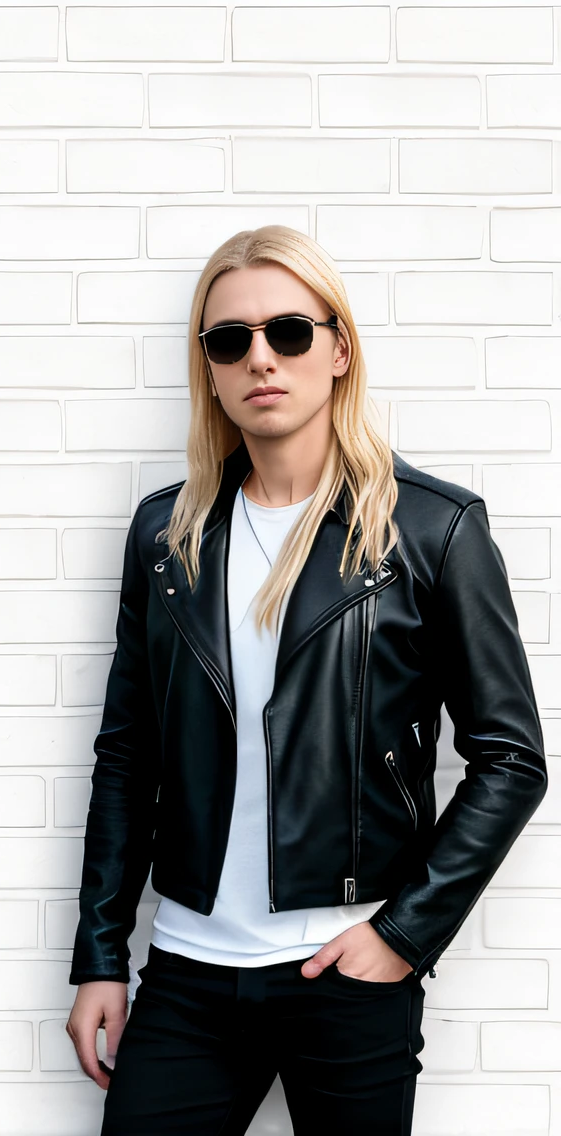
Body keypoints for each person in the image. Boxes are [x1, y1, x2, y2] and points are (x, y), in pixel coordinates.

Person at [65, 226, 547, 1134]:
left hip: (346, 974)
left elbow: (512, 759)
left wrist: (403, 936)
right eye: (229, 339)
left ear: (338, 348)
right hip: (188, 972)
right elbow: (128, 757)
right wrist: (100, 955)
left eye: (289, 332)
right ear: (207, 367)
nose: (261, 358)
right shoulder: (167, 536)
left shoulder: (433, 531)